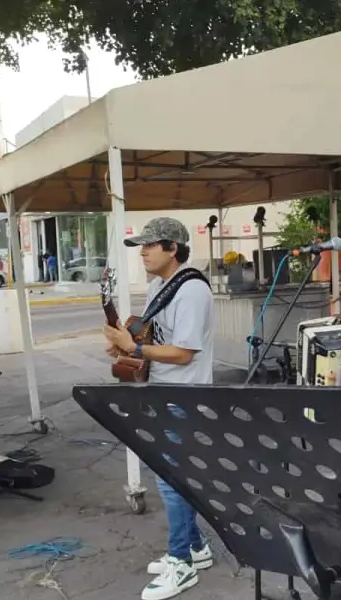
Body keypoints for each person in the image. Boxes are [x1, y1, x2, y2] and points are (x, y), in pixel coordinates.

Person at [104, 217, 215, 600]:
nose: (144, 252)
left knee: (171, 482)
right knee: (170, 475)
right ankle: (197, 548)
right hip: (163, 390)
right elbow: (152, 336)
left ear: (173, 248)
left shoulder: (192, 291)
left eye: (151, 245)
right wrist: (125, 340)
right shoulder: (159, 286)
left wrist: (134, 349)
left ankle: (181, 561)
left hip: (183, 395)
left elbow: (183, 353)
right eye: (142, 245)